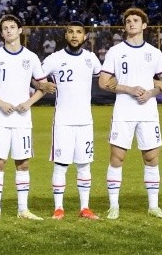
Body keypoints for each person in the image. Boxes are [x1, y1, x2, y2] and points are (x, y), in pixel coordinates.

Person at [98, 8, 162, 220]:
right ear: (124, 26)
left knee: (151, 158)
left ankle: (153, 206)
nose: (131, 23)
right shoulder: (115, 52)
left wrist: (151, 92)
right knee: (117, 157)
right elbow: (103, 82)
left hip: (148, 112)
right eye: (128, 21)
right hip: (123, 110)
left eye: (136, 20)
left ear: (144, 25)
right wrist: (129, 89)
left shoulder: (154, 52)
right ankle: (113, 205)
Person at [0, 14, 52, 221]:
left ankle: (23, 209)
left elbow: (43, 87)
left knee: (23, 164)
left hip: (22, 120)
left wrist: (28, 103)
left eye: (12, 27)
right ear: (2, 33)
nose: (8, 30)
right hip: (0, 118)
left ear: (20, 30)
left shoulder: (31, 58)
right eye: (5, 28)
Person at [41, 21, 101, 220]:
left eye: (79, 32)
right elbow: (36, 77)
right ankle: (59, 208)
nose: (75, 35)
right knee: (61, 165)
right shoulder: (55, 59)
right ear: (65, 36)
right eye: (70, 32)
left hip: (85, 121)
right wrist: (43, 85)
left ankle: (85, 208)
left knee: (85, 165)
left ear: (85, 37)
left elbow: (104, 79)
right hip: (63, 122)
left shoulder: (91, 59)